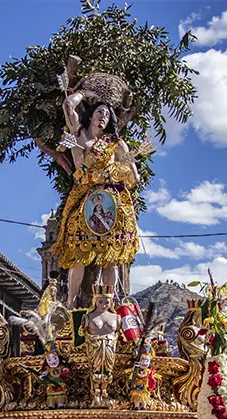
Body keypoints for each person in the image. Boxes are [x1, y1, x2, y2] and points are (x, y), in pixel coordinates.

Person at [51, 87, 140, 310]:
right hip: (84, 199)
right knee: (77, 252)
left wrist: (113, 174)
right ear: (90, 115)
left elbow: (134, 177)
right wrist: (85, 92)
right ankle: (70, 305)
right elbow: (67, 105)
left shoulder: (116, 145)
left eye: (108, 115)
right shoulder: (78, 136)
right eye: (100, 111)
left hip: (110, 201)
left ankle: (109, 304)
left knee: (111, 256)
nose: (103, 116)